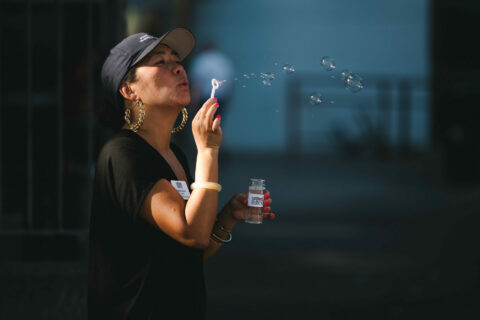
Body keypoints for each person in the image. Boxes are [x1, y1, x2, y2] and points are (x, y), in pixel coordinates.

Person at [88, 28, 275, 319]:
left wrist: (227, 216)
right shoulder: (123, 154)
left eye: (176, 59)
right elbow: (193, 235)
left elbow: (190, 252)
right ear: (129, 89)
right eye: (159, 61)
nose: (177, 66)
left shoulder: (174, 155)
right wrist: (208, 151)